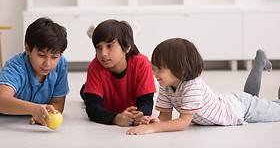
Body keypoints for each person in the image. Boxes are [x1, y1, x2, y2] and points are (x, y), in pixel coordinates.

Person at [126, 38, 280, 135]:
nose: (154, 73)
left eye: (160, 68)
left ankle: (260, 63)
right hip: (228, 101)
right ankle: (260, 63)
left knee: (272, 109)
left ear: (182, 70)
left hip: (239, 108)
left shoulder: (192, 86)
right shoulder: (166, 85)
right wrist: (153, 121)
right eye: (155, 67)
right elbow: (164, 117)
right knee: (252, 97)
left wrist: (153, 129)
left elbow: (182, 123)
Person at [80, 19, 157, 126]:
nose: (103, 54)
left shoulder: (142, 63)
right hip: (105, 97)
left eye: (110, 46)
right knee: (85, 93)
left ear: (127, 47)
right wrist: (115, 118)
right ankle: (85, 87)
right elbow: (93, 108)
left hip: (123, 96)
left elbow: (146, 101)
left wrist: (140, 116)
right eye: (99, 47)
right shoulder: (94, 66)